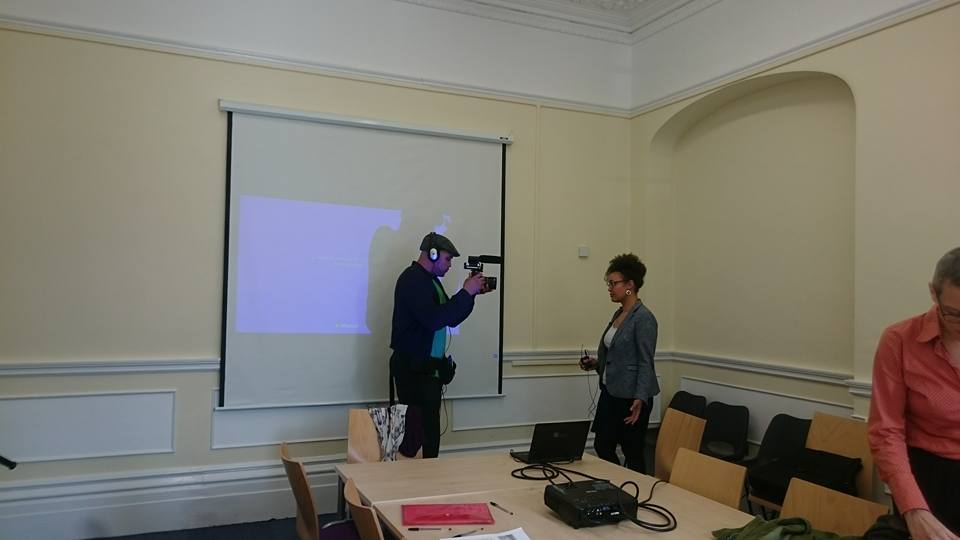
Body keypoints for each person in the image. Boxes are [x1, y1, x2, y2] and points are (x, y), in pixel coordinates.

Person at [868, 246, 960, 539]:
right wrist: (913, 509)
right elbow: (886, 431)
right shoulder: (899, 340)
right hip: (929, 479)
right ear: (934, 293)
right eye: (956, 315)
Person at [389, 232, 487, 458]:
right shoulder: (413, 279)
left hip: (427, 373)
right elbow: (433, 319)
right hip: (415, 373)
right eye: (447, 259)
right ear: (432, 254)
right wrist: (465, 292)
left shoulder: (430, 282)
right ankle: (421, 487)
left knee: (430, 438)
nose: (450, 265)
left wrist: (470, 296)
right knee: (418, 441)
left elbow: (450, 318)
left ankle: (429, 484)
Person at [580, 253, 660, 473]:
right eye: (609, 283)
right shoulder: (619, 313)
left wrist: (640, 398)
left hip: (632, 398)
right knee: (602, 445)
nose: (610, 288)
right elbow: (619, 356)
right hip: (611, 392)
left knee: (632, 451)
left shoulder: (643, 318)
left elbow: (645, 361)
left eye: (614, 283)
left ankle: (637, 491)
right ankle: (616, 486)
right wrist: (597, 363)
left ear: (630, 285)